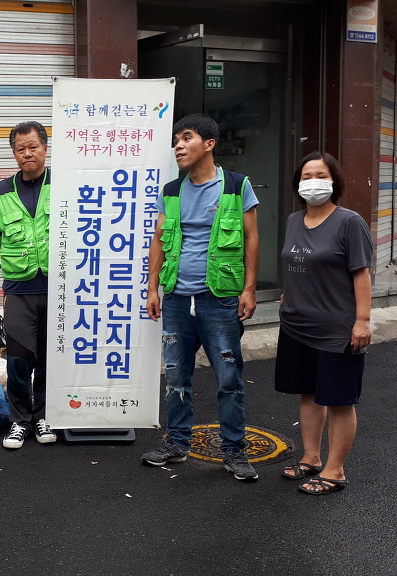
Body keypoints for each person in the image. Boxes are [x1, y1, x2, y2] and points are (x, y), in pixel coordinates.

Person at [140, 113, 261, 482]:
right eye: (176, 140)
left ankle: (234, 451)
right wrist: (152, 288)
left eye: (186, 138)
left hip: (219, 298)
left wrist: (249, 288)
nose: (178, 146)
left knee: (229, 379)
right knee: (177, 376)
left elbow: (252, 238)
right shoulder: (172, 191)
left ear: (209, 144)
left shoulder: (236, 186)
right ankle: (177, 444)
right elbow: (159, 240)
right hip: (177, 298)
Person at [274, 152, 373, 495]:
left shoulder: (349, 222)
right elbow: (297, 264)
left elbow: (361, 273)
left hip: (337, 329)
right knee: (309, 393)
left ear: (334, 181)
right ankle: (312, 457)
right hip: (296, 325)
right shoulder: (293, 220)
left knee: (339, 400)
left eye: (320, 175)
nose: (312, 182)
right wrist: (289, 293)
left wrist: (362, 321)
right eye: (306, 176)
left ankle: (335, 471)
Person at [0, 120, 56, 450]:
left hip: (58, 286)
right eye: (20, 149)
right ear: (14, 154)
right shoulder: (1, 191)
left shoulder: (63, 184)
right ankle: (20, 421)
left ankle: (44, 416)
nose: (27, 154)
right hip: (19, 288)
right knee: (19, 358)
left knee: (50, 357)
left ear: (45, 149)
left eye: (33, 147)